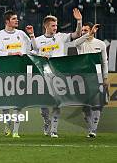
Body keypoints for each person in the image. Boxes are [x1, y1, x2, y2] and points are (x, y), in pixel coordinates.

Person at [27, 8, 82, 138]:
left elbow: (77, 34)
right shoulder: (38, 40)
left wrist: (79, 21)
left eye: (56, 25)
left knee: (57, 102)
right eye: (53, 25)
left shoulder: (61, 37)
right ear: (46, 26)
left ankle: (54, 130)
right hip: (44, 75)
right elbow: (32, 53)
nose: (55, 27)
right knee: (44, 104)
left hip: (59, 75)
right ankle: (47, 122)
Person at [0, 11, 32, 138]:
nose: (17, 20)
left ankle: (15, 130)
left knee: (17, 101)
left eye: (17, 19)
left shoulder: (22, 34)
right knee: (5, 101)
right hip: (4, 71)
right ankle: (7, 123)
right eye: (14, 19)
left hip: (19, 71)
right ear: (7, 21)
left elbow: (29, 50)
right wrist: (12, 54)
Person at [75, 23, 107, 138]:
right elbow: (75, 43)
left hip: (97, 77)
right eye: (82, 30)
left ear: (92, 30)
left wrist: (105, 77)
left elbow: (104, 62)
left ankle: (93, 130)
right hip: (83, 77)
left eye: (86, 30)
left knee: (96, 104)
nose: (83, 32)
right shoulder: (81, 43)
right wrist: (89, 33)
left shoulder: (100, 44)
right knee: (85, 106)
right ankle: (90, 128)